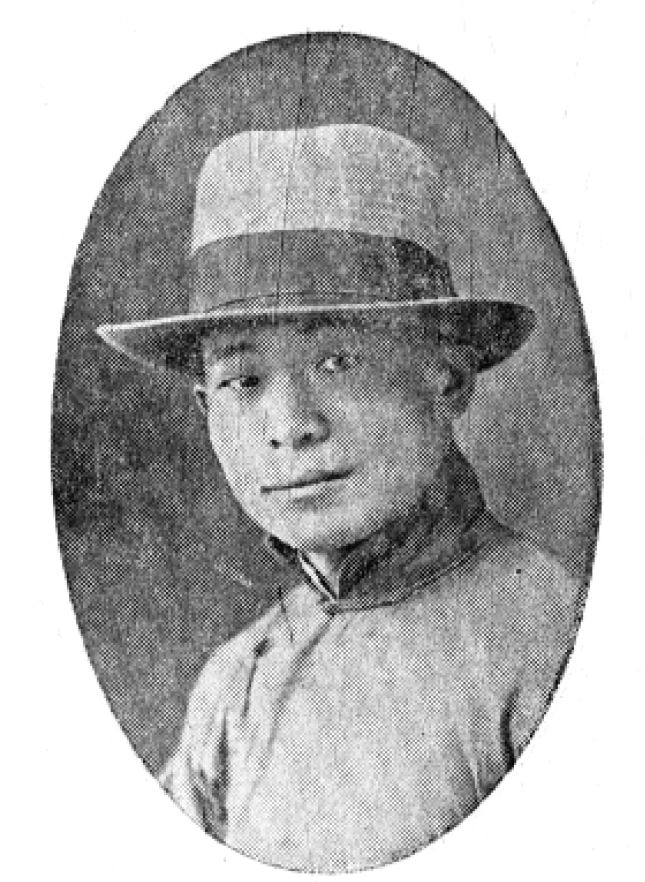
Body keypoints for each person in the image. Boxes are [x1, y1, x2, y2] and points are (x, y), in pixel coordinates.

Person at [98, 123, 581, 871]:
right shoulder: (235, 682)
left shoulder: (550, 637)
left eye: (337, 360)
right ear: (205, 410)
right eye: (243, 380)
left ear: (447, 380)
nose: (291, 425)